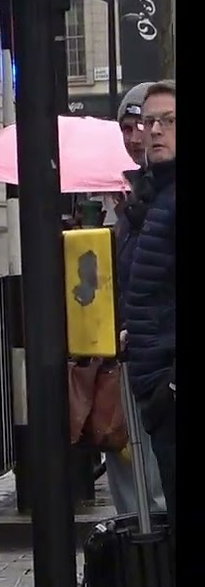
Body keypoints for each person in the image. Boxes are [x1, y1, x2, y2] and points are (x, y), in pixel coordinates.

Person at [102, 82, 166, 516]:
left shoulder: (159, 191)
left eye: (142, 125)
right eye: (127, 127)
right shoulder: (133, 194)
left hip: (158, 358)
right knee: (131, 469)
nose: (135, 136)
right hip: (137, 351)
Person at [122, 79, 176, 547]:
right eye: (150, 121)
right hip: (155, 384)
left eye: (168, 121)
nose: (154, 131)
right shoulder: (152, 199)